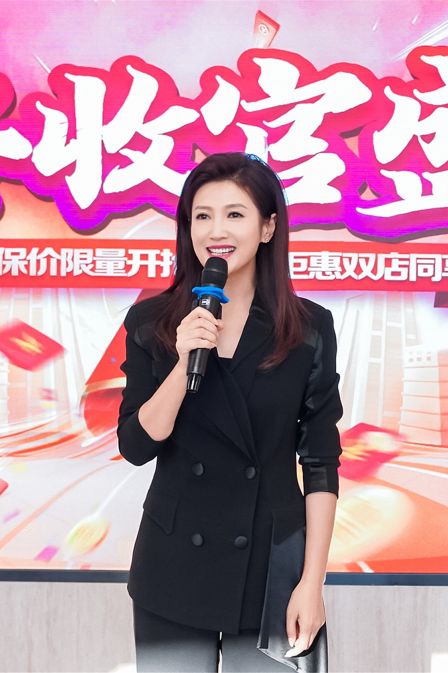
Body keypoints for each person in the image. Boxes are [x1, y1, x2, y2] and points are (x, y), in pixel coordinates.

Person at [117, 152, 342, 672]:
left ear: (268, 227)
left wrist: (312, 583)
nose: (216, 230)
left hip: (272, 563)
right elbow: (135, 446)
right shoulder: (152, 321)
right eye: (203, 215)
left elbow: (320, 463)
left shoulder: (308, 328)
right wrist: (183, 362)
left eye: (234, 214)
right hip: (174, 561)